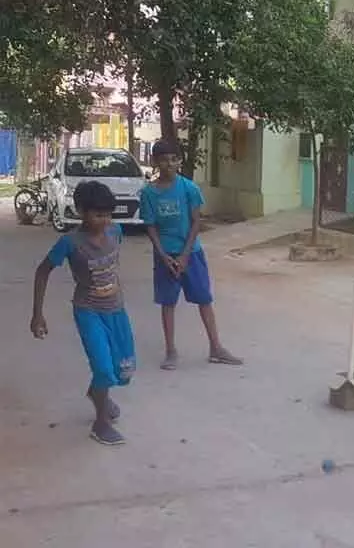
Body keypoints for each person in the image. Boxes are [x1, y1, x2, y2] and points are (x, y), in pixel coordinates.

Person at [30, 181, 137, 445]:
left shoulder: (116, 232)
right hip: (89, 312)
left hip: (117, 310)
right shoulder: (70, 242)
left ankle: (97, 393)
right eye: (97, 214)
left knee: (123, 368)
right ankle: (100, 424)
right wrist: (37, 314)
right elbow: (42, 271)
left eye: (107, 215)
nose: (103, 221)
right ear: (80, 211)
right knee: (102, 367)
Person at [140, 139, 242, 371]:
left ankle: (216, 348)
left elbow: (196, 222)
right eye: (163, 160)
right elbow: (151, 226)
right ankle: (171, 351)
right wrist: (163, 254)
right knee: (168, 303)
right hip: (165, 255)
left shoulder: (189, 188)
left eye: (173, 159)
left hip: (191, 253)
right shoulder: (148, 193)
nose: (168, 164)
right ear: (155, 162)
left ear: (179, 161)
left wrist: (185, 255)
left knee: (204, 299)